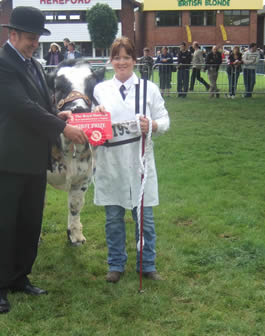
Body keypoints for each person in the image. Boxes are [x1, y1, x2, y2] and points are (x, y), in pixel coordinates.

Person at [0, 6, 88, 314]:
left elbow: (40, 105)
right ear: (12, 34)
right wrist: (62, 126)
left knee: (30, 223)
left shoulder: (34, 65)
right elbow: (21, 107)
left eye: (37, 38)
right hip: (8, 159)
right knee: (4, 225)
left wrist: (59, 113)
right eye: (29, 38)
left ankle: (19, 277)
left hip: (34, 158)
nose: (33, 43)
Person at [92, 37, 170, 284]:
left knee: (144, 218)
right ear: (111, 61)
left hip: (140, 163)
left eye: (126, 57)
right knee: (113, 217)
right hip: (111, 163)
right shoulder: (101, 89)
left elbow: (165, 120)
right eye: (117, 57)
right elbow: (95, 128)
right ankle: (116, 264)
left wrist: (153, 125)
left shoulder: (150, 89)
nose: (121, 62)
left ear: (134, 60)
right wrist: (96, 116)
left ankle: (147, 264)